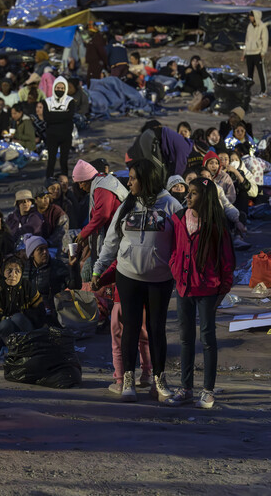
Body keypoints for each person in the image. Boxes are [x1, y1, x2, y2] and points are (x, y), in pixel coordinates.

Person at [92, 159, 183, 402]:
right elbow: (111, 240)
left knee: (156, 329)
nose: (129, 182)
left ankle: (159, 381)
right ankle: (128, 381)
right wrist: (98, 269)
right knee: (130, 328)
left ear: (146, 179)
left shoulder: (171, 205)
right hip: (128, 276)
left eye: (133, 178)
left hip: (160, 279)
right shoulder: (127, 205)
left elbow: (183, 242)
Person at [165, 177, 234, 409]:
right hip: (184, 287)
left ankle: (207, 391)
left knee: (207, 339)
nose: (188, 196)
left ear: (205, 197)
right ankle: (186, 389)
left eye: (193, 193)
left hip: (207, 289)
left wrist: (223, 289)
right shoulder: (178, 219)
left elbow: (226, 259)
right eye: (188, 192)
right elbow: (173, 249)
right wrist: (175, 267)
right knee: (185, 338)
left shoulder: (216, 224)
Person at [73, 159, 128, 260]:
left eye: (80, 183)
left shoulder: (102, 187)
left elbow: (102, 215)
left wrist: (84, 233)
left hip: (117, 235)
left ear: (86, 179)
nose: (80, 187)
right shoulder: (102, 181)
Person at [23, 235, 78, 315]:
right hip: (30, 312)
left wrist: (73, 267)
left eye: (46, 248)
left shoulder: (57, 266)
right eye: (40, 249)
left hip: (53, 312)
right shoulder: (25, 270)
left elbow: (74, 286)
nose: (45, 252)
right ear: (32, 254)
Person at [43, 76, 75, 178]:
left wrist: (54, 115)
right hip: (52, 135)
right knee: (51, 160)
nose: (60, 90)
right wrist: (63, 115)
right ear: (54, 88)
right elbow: (47, 117)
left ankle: (64, 180)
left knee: (64, 160)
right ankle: (48, 180)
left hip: (66, 135)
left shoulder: (70, 101)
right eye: (58, 88)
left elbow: (70, 116)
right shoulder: (47, 101)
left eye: (62, 88)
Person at [242, 10, 269, 95]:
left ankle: (263, 90)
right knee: (249, 73)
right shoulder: (249, 26)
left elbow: (265, 40)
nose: (250, 18)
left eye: (252, 16)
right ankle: (247, 91)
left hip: (257, 53)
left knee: (261, 72)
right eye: (250, 16)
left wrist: (263, 52)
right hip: (249, 53)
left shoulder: (262, 26)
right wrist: (244, 53)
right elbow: (247, 40)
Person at [35, 187, 69, 252]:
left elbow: (62, 231)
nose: (45, 200)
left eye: (47, 197)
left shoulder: (57, 211)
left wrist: (47, 242)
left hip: (56, 247)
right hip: (36, 246)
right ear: (36, 200)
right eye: (42, 197)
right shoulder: (32, 212)